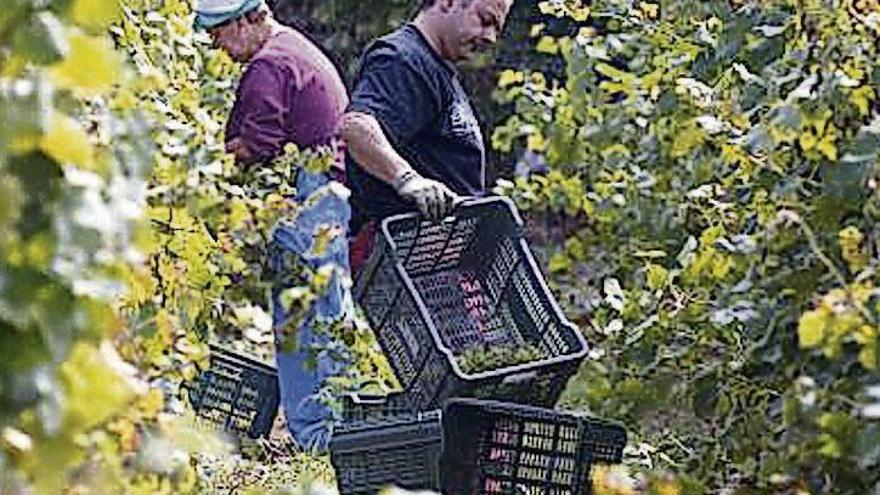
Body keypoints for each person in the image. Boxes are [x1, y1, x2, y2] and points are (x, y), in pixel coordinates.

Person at [193, 0, 353, 452]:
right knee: (323, 315)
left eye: (217, 32)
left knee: (303, 323)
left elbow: (257, 146)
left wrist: (199, 172)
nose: (215, 45)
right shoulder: (295, 48)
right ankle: (330, 434)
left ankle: (320, 441)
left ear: (246, 20)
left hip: (308, 199)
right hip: (327, 198)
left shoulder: (269, 64)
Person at [340, 0, 515, 275]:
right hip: (400, 265)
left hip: (439, 266)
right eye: (485, 20)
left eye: (497, 29)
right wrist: (407, 180)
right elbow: (356, 127)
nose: (491, 38)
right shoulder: (403, 60)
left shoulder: (438, 68)